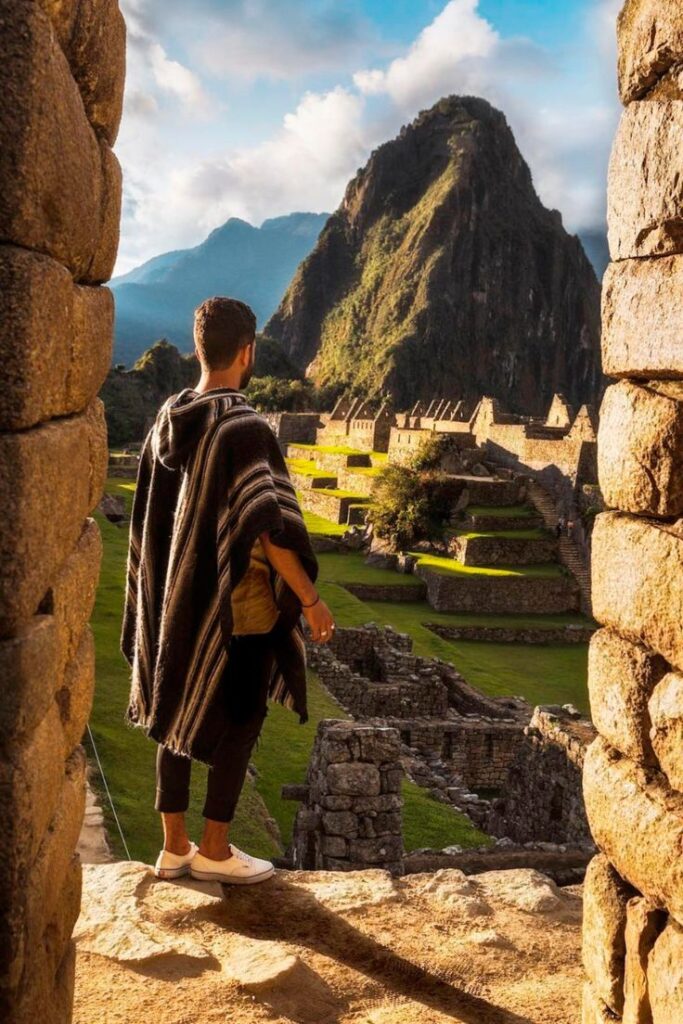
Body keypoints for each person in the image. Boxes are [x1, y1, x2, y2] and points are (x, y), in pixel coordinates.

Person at [120, 296, 335, 885]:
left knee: (173, 704)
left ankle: (174, 846)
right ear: (247, 352)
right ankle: (215, 849)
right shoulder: (244, 427)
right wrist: (310, 600)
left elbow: (153, 520)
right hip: (239, 607)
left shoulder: (169, 419)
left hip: (177, 601)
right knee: (241, 718)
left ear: (198, 350)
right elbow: (268, 527)